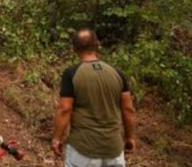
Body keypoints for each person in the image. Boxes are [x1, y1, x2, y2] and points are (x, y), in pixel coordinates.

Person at [52, 28, 138, 167]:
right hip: (113, 149)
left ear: (74, 49)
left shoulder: (71, 74)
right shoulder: (117, 73)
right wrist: (130, 137)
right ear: (98, 45)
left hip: (83, 150)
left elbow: (65, 109)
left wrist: (57, 138)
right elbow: (128, 109)